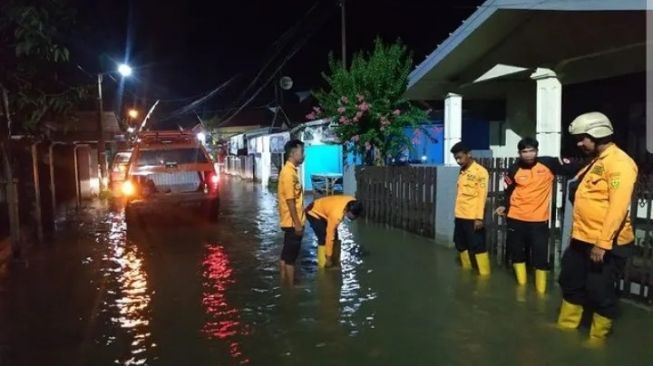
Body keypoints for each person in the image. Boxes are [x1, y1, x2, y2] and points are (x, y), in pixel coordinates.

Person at [557, 112, 637, 341]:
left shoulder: (620, 163)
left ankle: (597, 341)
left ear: (598, 134)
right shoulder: (596, 162)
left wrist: (602, 243)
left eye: (583, 138)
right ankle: (565, 331)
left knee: (598, 292)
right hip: (582, 239)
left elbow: (618, 207)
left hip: (606, 243)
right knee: (570, 283)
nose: (579, 143)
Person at [496, 137, 580, 294]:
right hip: (516, 218)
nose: (528, 155)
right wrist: (503, 205)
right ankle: (520, 289)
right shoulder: (514, 168)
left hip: (539, 221)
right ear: (519, 153)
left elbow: (574, 167)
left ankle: (540, 294)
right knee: (517, 253)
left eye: (531, 151)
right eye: (524, 151)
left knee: (540, 257)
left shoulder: (548, 163)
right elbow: (507, 190)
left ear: (537, 151)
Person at [450, 142, 491, 276]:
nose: (458, 161)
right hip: (460, 215)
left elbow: (482, 196)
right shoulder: (462, 171)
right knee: (459, 244)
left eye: (460, 157)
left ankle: (484, 276)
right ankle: (466, 273)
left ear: (469, 155)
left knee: (477, 246)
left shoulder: (480, 172)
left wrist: (479, 218)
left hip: (473, 217)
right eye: (456, 158)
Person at [306, 195, 363, 268]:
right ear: (346, 210)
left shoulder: (353, 202)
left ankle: (336, 261)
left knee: (336, 237)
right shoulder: (336, 215)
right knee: (323, 237)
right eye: (351, 217)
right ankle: (324, 263)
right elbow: (329, 236)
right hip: (313, 212)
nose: (354, 219)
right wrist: (329, 258)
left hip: (328, 209)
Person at [278, 139, 306, 286]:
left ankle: (283, 282)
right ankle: (290, 288)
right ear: (293, 153)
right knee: (291, 259)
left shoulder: (289, 171)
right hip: (292, 222)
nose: (304, 155)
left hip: (288, 221)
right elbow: (290, 200)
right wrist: (298, 224)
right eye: (302, 152)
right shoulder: (289, 174)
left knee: (285, 255)